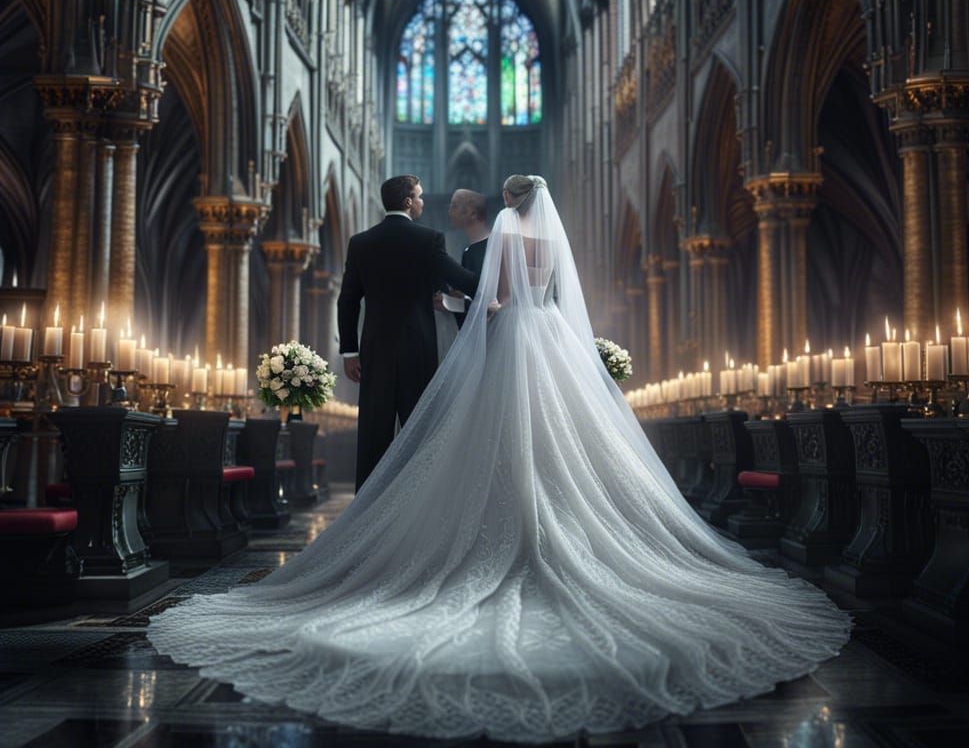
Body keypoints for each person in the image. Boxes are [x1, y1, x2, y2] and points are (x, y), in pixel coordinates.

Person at [149, 174, 850, 744]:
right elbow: (529, 295)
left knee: (472, 437)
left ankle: (396, 520)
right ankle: (557, 523)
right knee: (563, 441)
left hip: (489, 343)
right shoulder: (536, 242)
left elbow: (485, 299)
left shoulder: (446, 240)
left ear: (503, 206)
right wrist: (457, 294)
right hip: (553, 347)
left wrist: (451, 310)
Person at [336, 174, 479, 488]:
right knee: (419, 430)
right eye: (420, 195)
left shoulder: (361, 242)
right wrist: (497, 279)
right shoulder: (429, 239)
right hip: (418, 346)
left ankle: (366, 509)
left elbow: (347, 300)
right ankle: (415, 500)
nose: (423, 201)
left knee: (374, 432)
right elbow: (463, 279)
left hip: (374, 348)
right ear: (408, 202)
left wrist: (350, 351)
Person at [446, 187, 490, 326]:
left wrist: (456, 303)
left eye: (454, 206)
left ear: (472, 213)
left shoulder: (479, 251)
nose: (449, 212)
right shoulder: (471, 250)